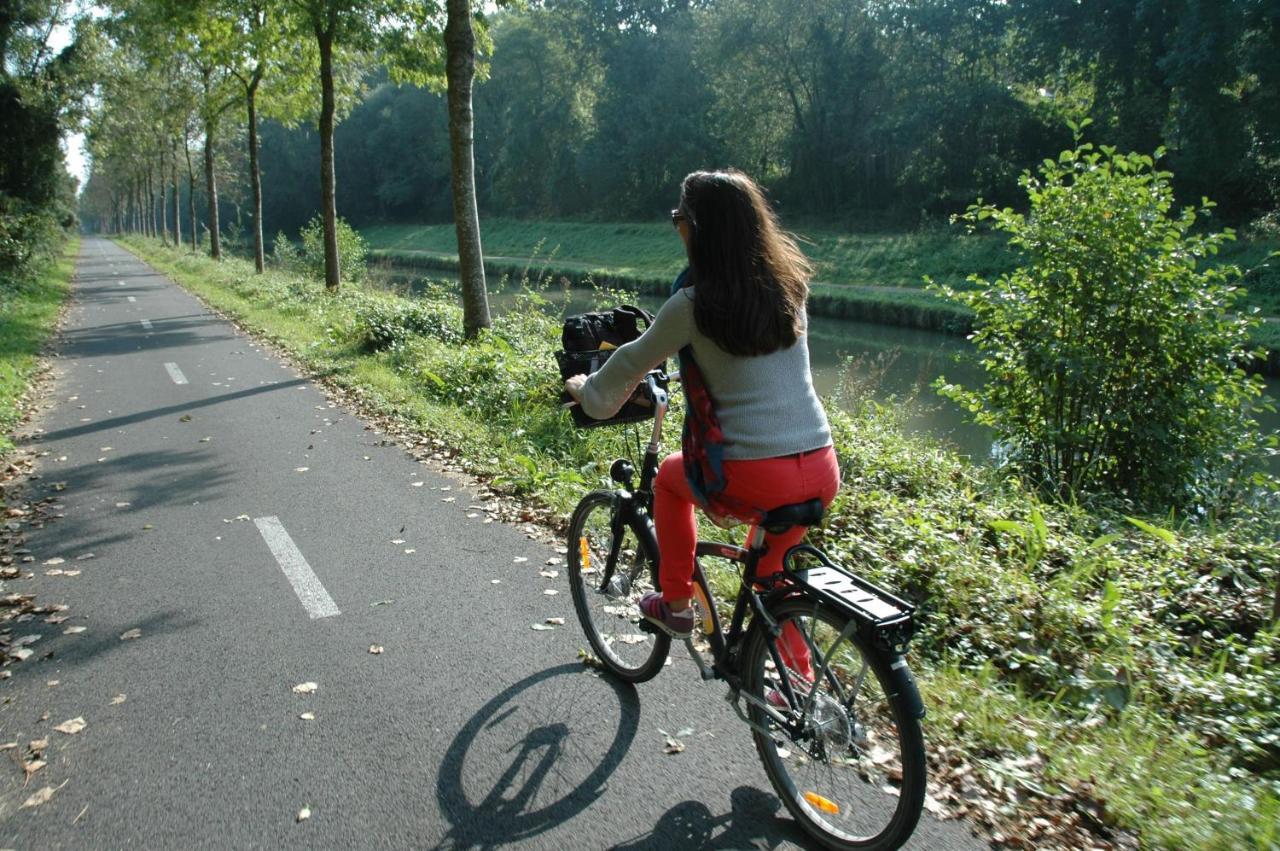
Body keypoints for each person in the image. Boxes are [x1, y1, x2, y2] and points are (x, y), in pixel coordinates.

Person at [564, 169, 838, 664]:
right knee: (772, 576)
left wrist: (587, 393)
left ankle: (676, 605)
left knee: (669, 480)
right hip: (819, 465)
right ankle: (796, 686)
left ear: (698, 228)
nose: (676, 227)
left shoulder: (693, 304)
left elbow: (628, 362)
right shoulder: (790, 289)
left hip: (753, 472)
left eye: (678, 218)